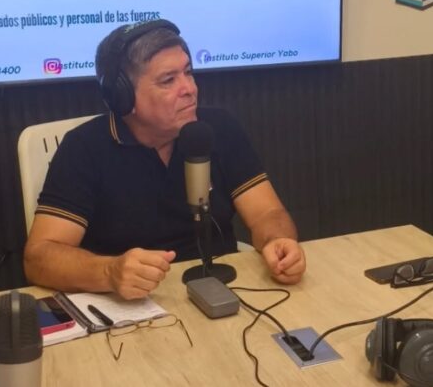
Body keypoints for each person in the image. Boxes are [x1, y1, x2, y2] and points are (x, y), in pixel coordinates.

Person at [24, 19, 306, 300]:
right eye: (168, 80)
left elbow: (267, 214)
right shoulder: (84, 148)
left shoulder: (219, 128)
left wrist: (278, 241)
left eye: (188, 72)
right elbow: (39, 257)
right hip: (134, 305)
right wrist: (108, 272)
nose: (189, 88)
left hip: (227, 289)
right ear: (123, 97)